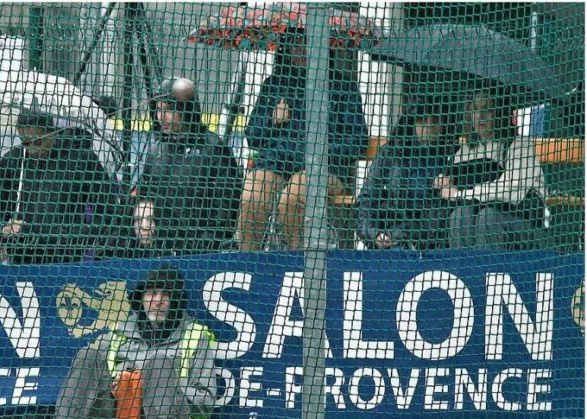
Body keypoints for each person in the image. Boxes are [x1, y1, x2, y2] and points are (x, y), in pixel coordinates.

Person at [37, 266, 217, 419]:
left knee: (160, 362)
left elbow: (205, 401)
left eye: (166, 295)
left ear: (176, 300)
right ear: (141, 298)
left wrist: (159, 386)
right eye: (151, 293)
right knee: (88, 355)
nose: (157, 301)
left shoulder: (196, 336)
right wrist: (116, 383)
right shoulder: (117, 332)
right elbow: (90, 379)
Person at [238, 34, 368, 250]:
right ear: (287, 49)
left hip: (325, 170)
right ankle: (246, 261)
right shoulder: (274, 86)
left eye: (309, 44)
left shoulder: (343, 88)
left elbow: (358, 141)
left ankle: (298, 258)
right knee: (252, 197)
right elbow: (253, 136)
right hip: (276, 166)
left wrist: (320, 150)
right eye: (296, 45)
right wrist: (272, 120)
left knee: (292, 198)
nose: (302, 51)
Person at [0, 109, 127, 265]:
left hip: (66, 259)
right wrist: (3, 228)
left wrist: (74, 237)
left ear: (52, 133)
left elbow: (109, 212)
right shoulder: (13, 161)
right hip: (22, 259)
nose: (32, 149)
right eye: (26, 142)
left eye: (38, 142)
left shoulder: (81, 159)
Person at [133, 77, 242, 256]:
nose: (162, 117)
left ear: (186, 110)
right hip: (162, 248)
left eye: (168, 110)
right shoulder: (157, 149)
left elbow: (227, 205)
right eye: (159, 110)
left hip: (203, 250)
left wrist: (206, 243)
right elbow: (146, 195)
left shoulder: (213, 148)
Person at [436, 89, 546, 249]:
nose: (480, 116)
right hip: (476, 227)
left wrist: (460, 194)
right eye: (475, 109)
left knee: (487, 217)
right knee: (460, 216)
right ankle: (464, 270)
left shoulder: (519, 145)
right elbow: (449, 190)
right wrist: (442, 184)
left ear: (499, 112)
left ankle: (488, 271)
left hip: (523, 229)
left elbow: (512, 191)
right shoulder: (463, 151)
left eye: (487, 109)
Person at [356, 97, 458, 250]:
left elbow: (445, 211)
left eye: (435, 120)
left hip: (437, 244)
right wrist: (375, 234)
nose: (429, 126)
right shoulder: (392, 152)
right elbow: (366, 199)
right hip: (392, 241)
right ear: (411, 121)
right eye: (422, 119)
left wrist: (396, 235)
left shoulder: (455, 155)